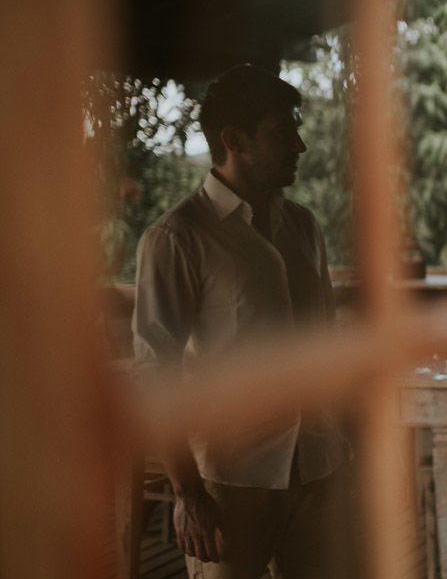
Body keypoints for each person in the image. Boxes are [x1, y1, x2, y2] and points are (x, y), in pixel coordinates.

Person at [132, 64, 352, 578]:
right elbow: (156, 374)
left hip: (320, 466)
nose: (299, 145)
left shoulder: (303, 226)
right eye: (282, 132)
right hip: (230, 483)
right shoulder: (176, 237)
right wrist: (188, 494)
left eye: (297, 130)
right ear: (234, 139)